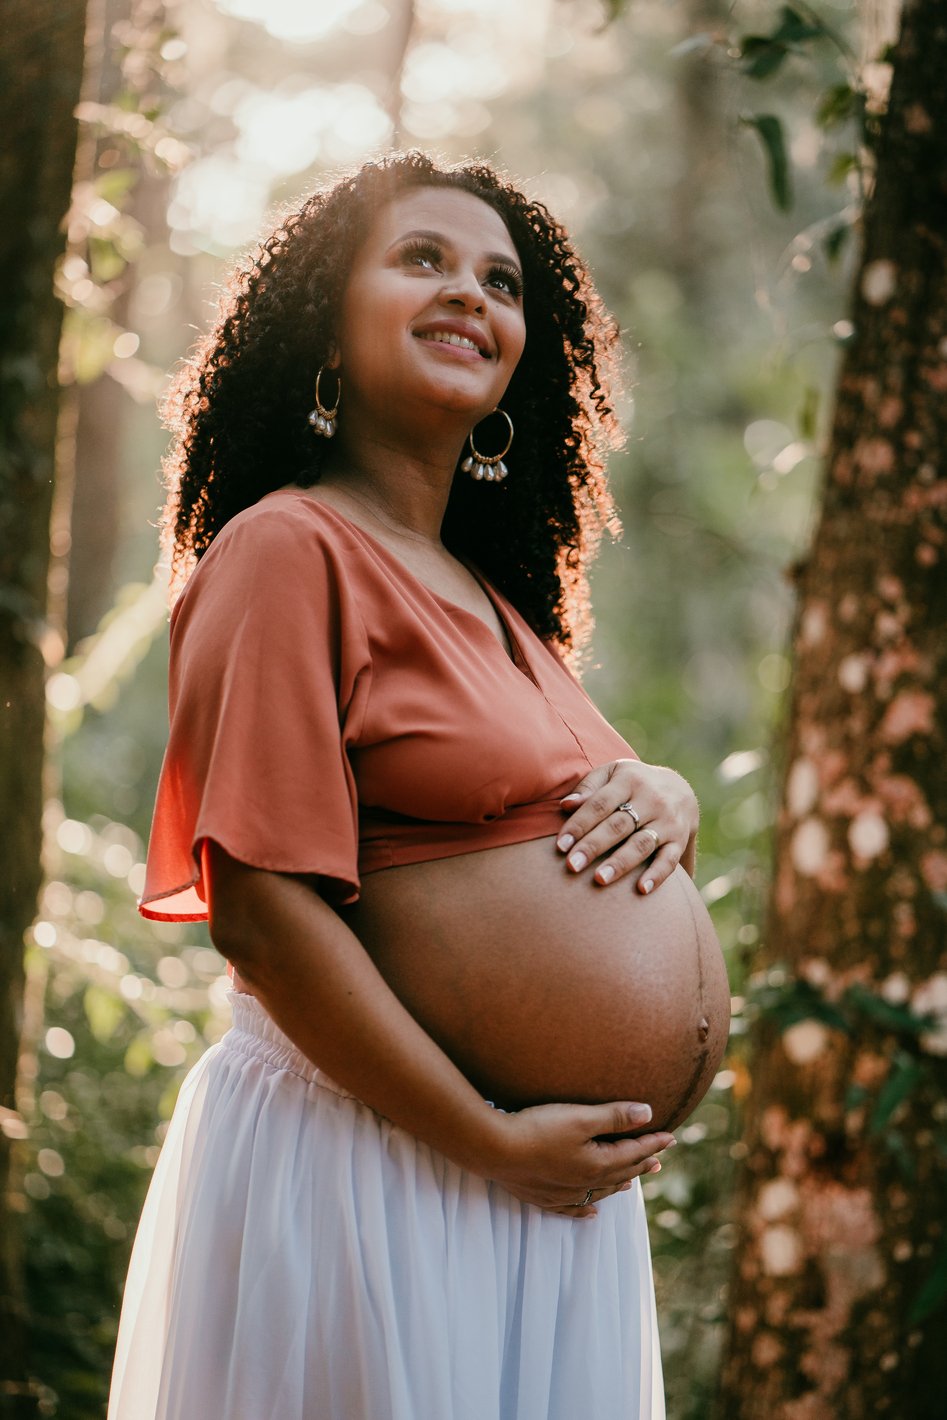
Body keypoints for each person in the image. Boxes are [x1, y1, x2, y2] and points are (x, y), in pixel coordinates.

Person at [107, 151, 729, 1420]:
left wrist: (665, 791)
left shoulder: (494, 600)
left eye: (501, 282)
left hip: (529, 1198)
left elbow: (546, 809)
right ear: (326, 327)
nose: (470, 295)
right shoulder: (286, 548)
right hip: (384, 1162)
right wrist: (485, 1138)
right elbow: (261, 913)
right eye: (422, 260)